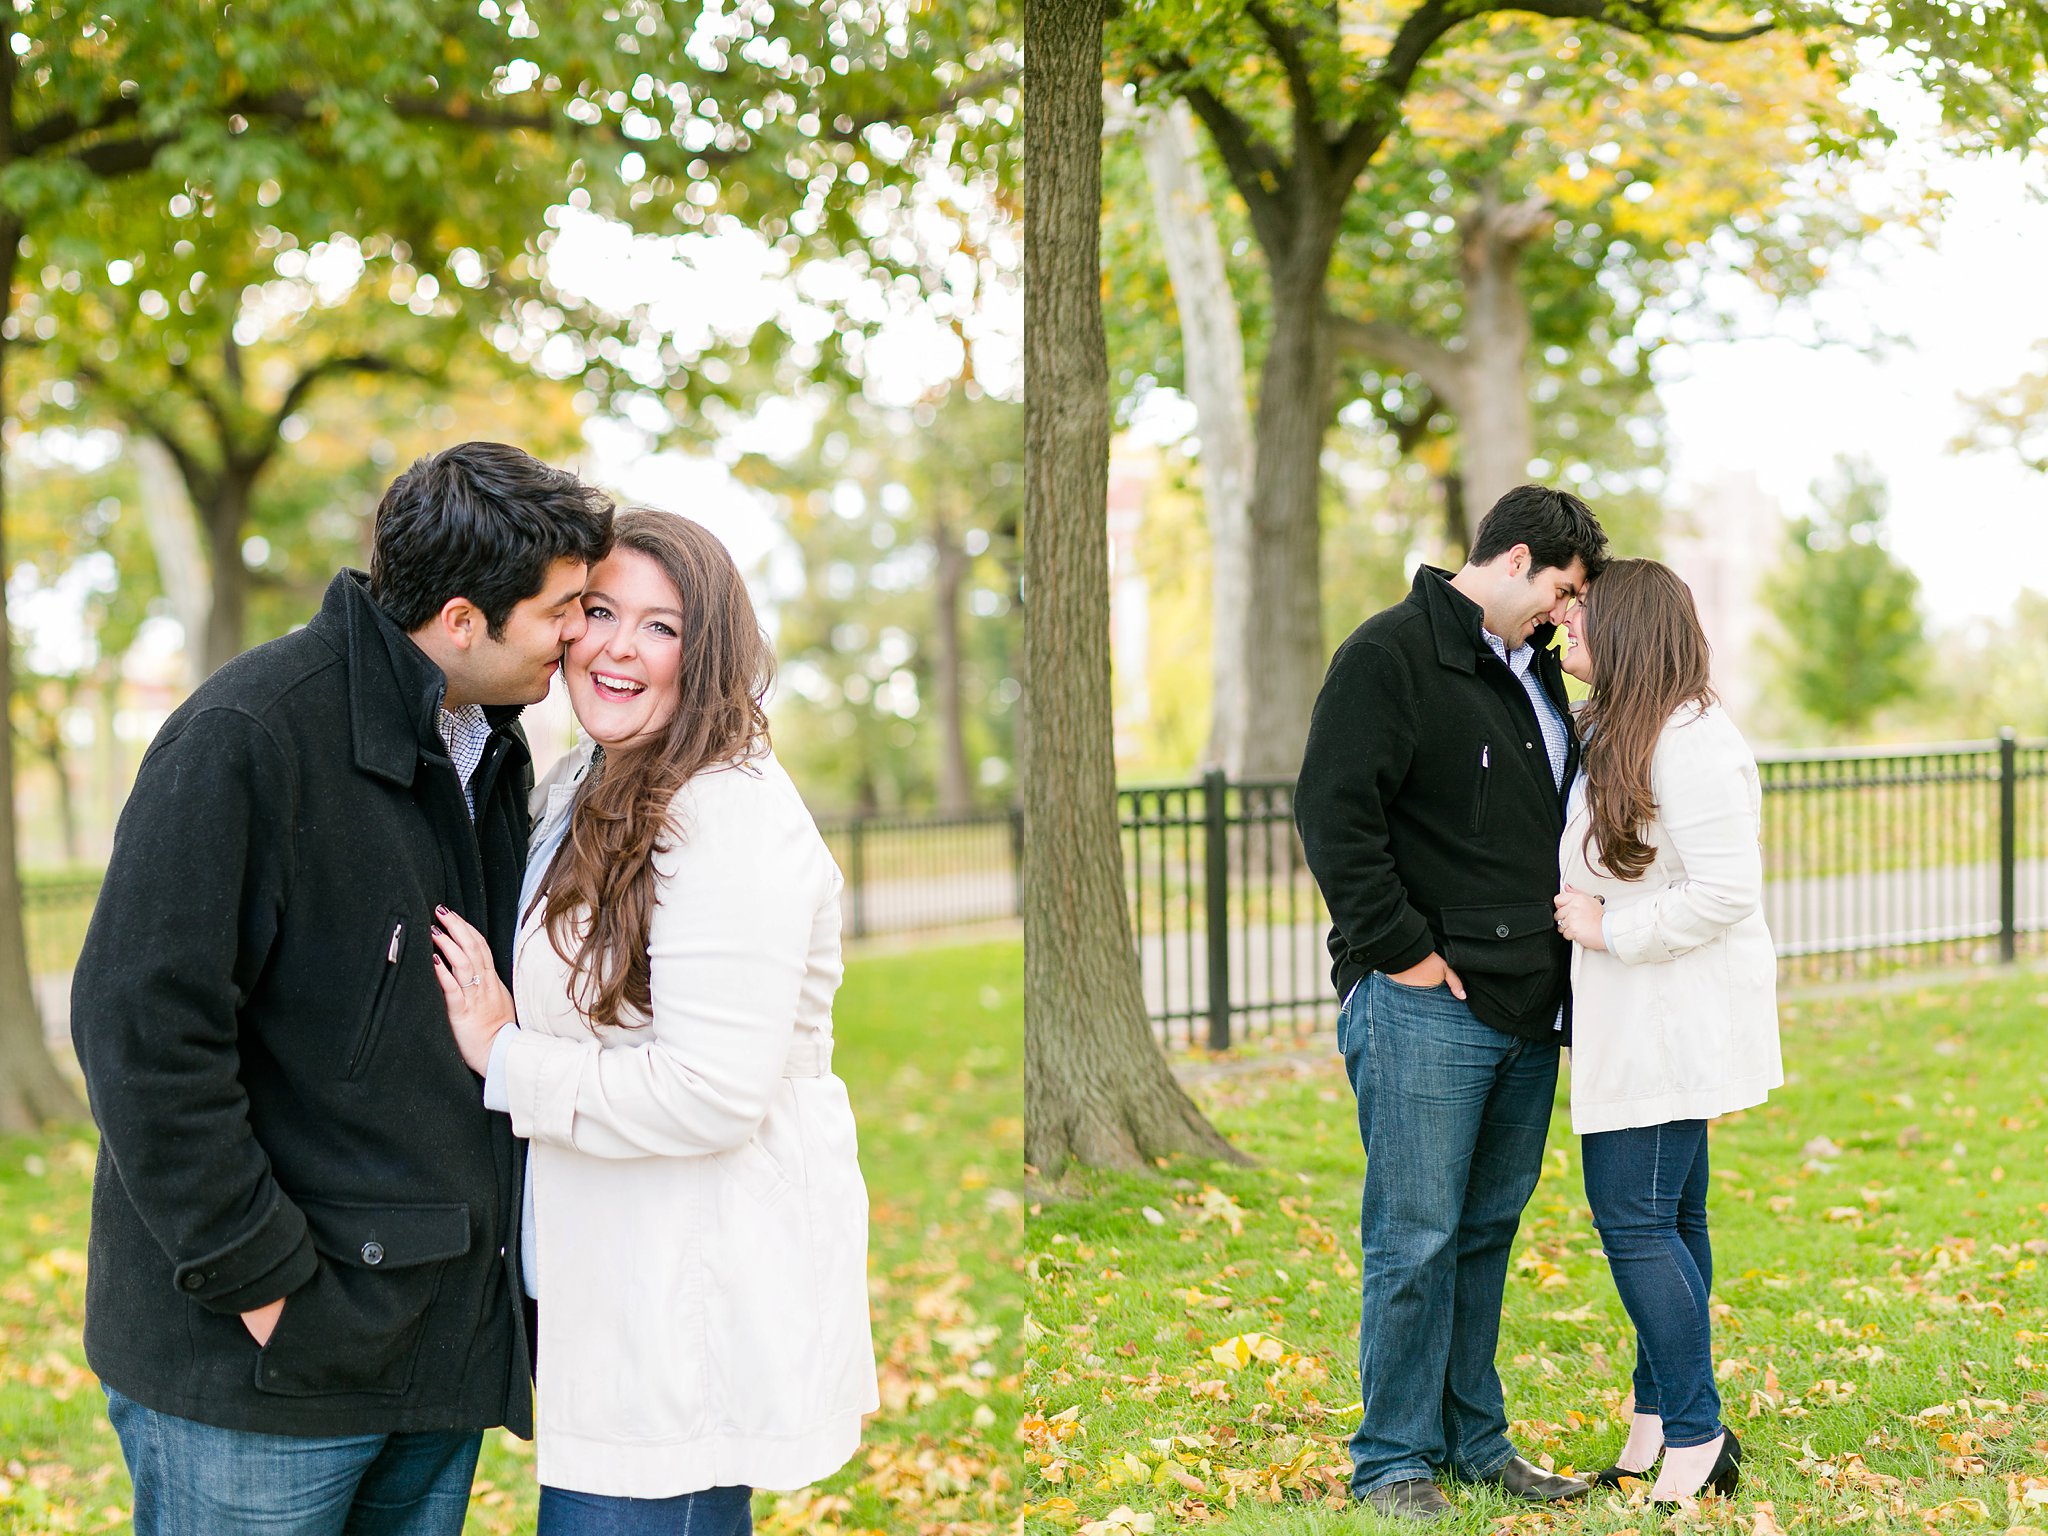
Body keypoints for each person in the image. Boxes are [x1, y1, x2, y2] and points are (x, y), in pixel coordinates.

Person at [70, 442, 614, 1535]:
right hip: (259, 1371)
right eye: (565, 610)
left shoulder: (491, 754)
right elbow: (139, 1032)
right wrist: (262, 1286)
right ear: (464, 620)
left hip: (432, 1348)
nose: (582, 637)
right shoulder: (248, 738)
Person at [428, 508, 879, 1535]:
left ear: (706, 650)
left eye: (660, 626)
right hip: (613, 1300)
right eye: (599, 612)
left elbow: (710, 1091)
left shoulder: (723, 813)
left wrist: (505, 1056)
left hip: (684, 1310)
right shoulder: (589, 782)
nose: (620, 648)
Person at [1294, 485, 1610, 1521]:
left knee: (1482, 1234)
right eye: (1560, 592)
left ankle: (1474, 1443)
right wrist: (1404, 956)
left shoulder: (1533, 677)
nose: (1565, 615)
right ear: (1513, 558)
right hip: (1425, 1004)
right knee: (1413, 1238)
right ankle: (1389, 1460)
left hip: (1528, 1005)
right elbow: (1334, 817)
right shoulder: (1387, 655)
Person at [1552, 558, 1781, 1503]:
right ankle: (1657, 1422)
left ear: (1627, 631)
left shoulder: (1691, 740)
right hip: (1642, 1019)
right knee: (1672, 1217)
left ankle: (1696, 1435)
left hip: (1670, 1021)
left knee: (1636, 1221)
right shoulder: (1626, 725)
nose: (1565, 628)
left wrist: (1609, 927)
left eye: (1581, 616)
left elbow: (1728, 890)